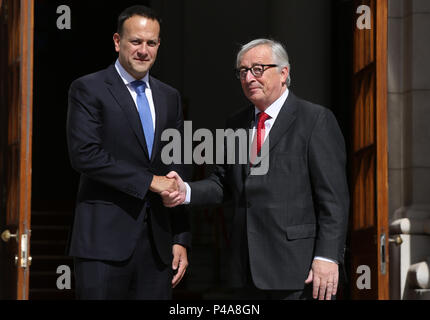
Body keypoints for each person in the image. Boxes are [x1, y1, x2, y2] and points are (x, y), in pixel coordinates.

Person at [162, 39, 349, 300]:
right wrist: (185, 190)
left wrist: (327, 256)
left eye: (258, 69)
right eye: (242, 71)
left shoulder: (315, 120)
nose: (249, 77)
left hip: (300, 270)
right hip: (246, 269)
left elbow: (334, 200)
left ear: (284, 73)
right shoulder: (236, 123)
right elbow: (223, 184)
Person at [66, 5, 190, 300]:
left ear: (159, 45)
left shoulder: (169, 97)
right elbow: (84, 154)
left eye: (151, 43)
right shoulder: (88, 88)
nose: (143, 50)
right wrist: (150, 181)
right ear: (117, 42)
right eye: (136, 41)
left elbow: (177, 166)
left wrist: (181, 237)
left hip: (158, 247)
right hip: (103, 245)